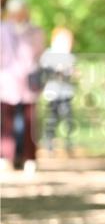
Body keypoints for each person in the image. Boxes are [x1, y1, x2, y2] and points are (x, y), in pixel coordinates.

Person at [0, 0, 45, 174]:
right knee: (7, 123)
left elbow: (39, 54)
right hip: (7, 82)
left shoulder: (35, 30)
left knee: (29, 122)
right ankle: (6, 158)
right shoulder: (2, 30)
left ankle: (29, 158)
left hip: (28, 83)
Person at [40, 27, 76, 155]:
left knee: (68, 119)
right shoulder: (48, 54)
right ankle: (49, 144)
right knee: (51, 119)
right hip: (52, 93)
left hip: (66, 93)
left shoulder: (70, 56)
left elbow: (71, 73)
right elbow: (44, 72)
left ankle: (68, 143)